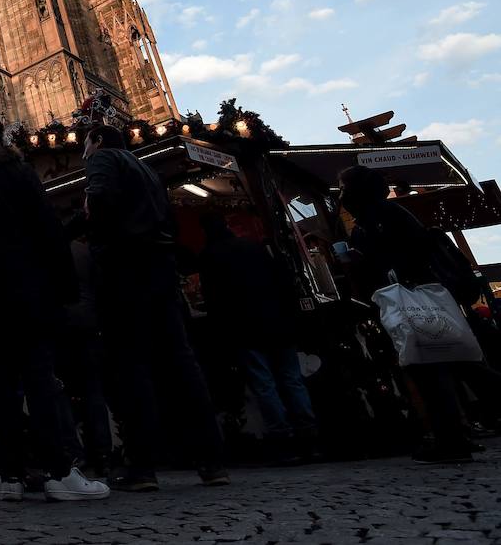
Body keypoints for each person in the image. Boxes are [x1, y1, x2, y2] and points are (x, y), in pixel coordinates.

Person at [0, 116, 109, 503]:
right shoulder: (18, 172)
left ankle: (9, 474)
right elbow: (49, 231)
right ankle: (59, 472)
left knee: (1, 385)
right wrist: (64, 290)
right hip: (28, 294)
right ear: (0, 139)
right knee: (40, 379)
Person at [83, 124, 226, 491]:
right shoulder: (145, 168)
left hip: (126, 270)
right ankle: (211, 462)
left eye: (88, 141)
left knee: (130, 367)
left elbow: (98, 201)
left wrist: (95, 233)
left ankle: (142, 467)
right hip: (159, 268)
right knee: (180, 363)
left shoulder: (104, 160)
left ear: (97, 141)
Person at [339, 165, 474, 464]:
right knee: (446, 367)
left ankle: (451, 439)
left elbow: (401, 254)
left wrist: (367, 262)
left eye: (344, 186)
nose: (342, 193)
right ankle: (453, 435)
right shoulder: (378, 215)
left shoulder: (379, 216)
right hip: (407, 295)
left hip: (409, 297)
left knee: (430, 367)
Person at [197, 213, 317, 465]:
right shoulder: (254, 248)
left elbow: (213, 299)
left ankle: (282, 437)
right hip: (277, 322)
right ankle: (309, 434)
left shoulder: (210, 256)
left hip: (245, 327)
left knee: (264, 383)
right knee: (291, 379)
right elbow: (283, 281)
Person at [57, 234, 113, 477]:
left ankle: (74, 453)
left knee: (61, 393)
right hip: (88, 324)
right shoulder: (83, 250)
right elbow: (100, 285)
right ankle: (102, 454)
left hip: (60, 327)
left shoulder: (48, 251)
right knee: (93, 392)